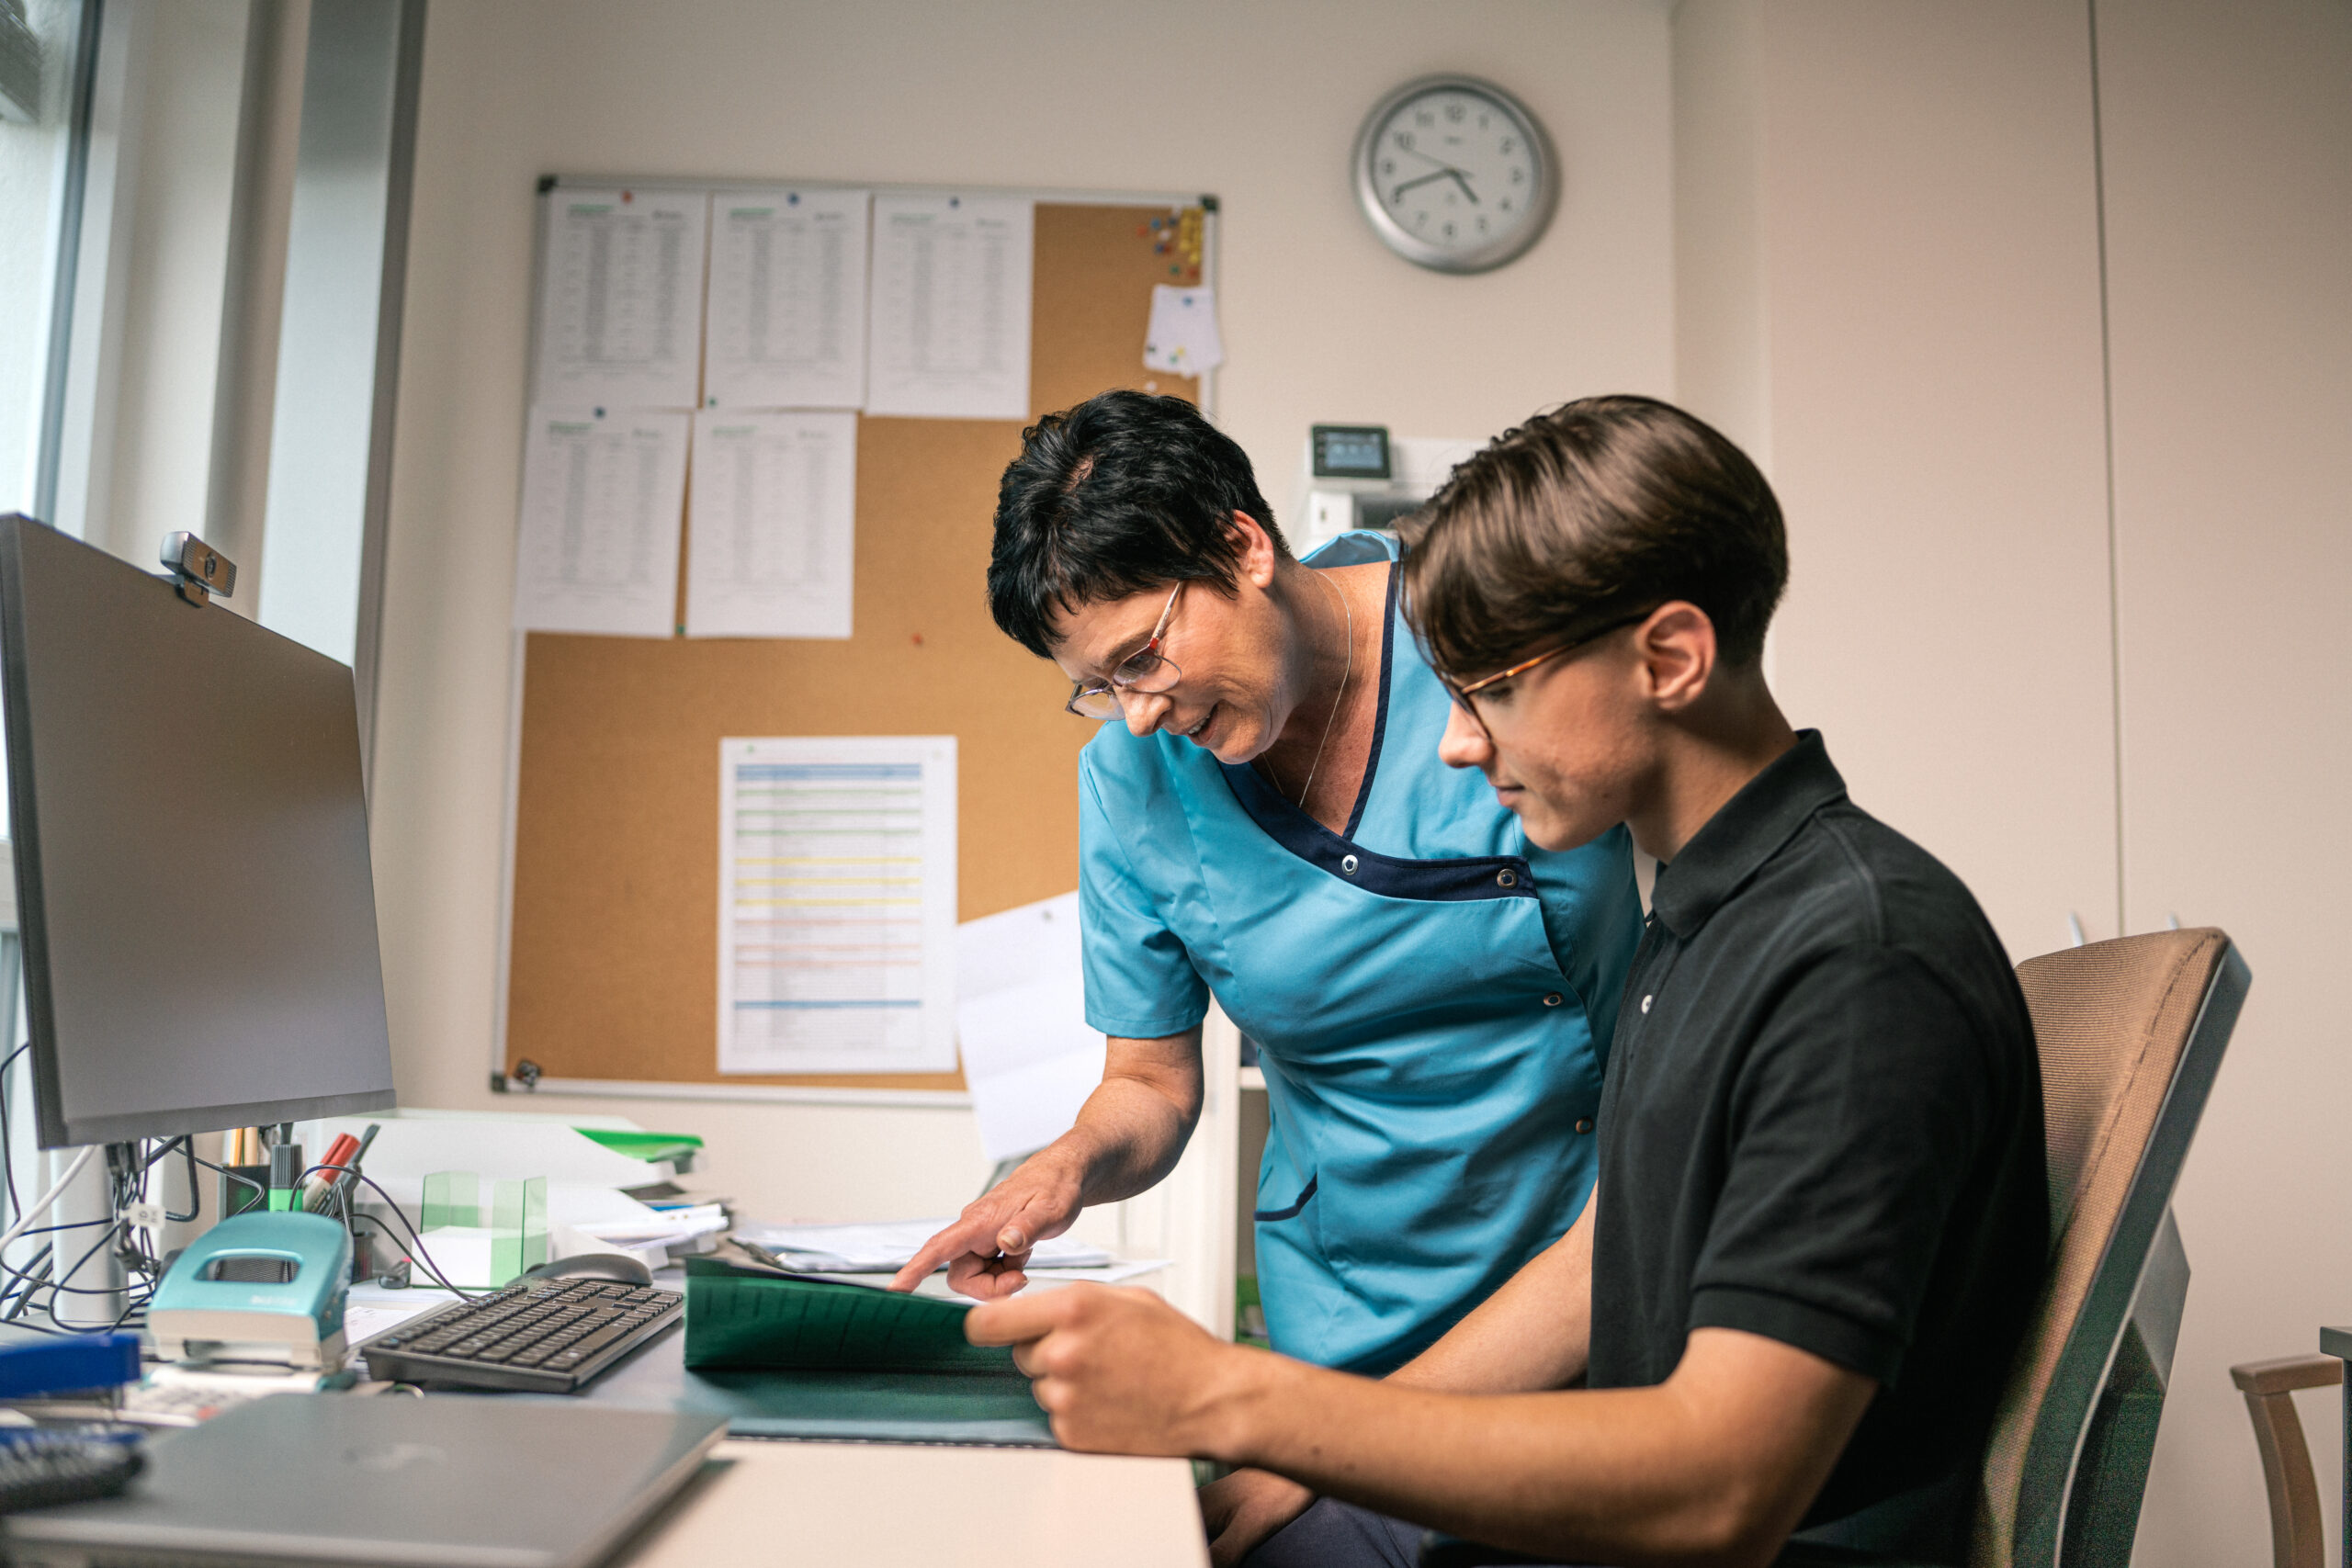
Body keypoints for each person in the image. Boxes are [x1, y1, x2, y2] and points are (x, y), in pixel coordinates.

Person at [964, 395, 2049, 1568]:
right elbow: (1602, 1261)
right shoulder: (1695, 926)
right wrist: (1283, 1434)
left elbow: (1725, 1487)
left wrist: (1229, 1401)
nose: (1453, 743)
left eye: (1492, 691)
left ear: (1668, 659)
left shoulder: (1853, 967)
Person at [891, 390, 1645, 1378]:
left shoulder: (1484, 627)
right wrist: (1060, 1171)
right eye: (1100, 687)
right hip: (1355, 1307)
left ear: (1242, 546)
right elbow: (1149, 1083)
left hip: (1602, 1250)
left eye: (1142, 657)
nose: (1138, 715)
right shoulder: (1131, 785)